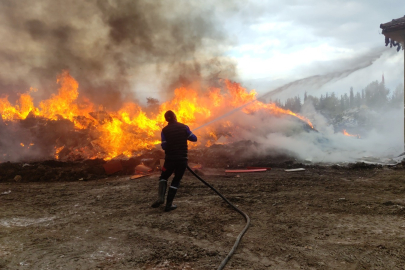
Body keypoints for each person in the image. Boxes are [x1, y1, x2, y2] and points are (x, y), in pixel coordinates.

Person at [151, 110, 197, 211]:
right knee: (176, 180)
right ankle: (169, 205)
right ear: (175, 117)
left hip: (170, 160)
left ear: (166, 119)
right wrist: (187, 135)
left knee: (163, 177)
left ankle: (160, 198)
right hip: (182, 160)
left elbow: (164, 146)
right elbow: (194, 139)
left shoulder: (164, 130)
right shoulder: (184, 127)